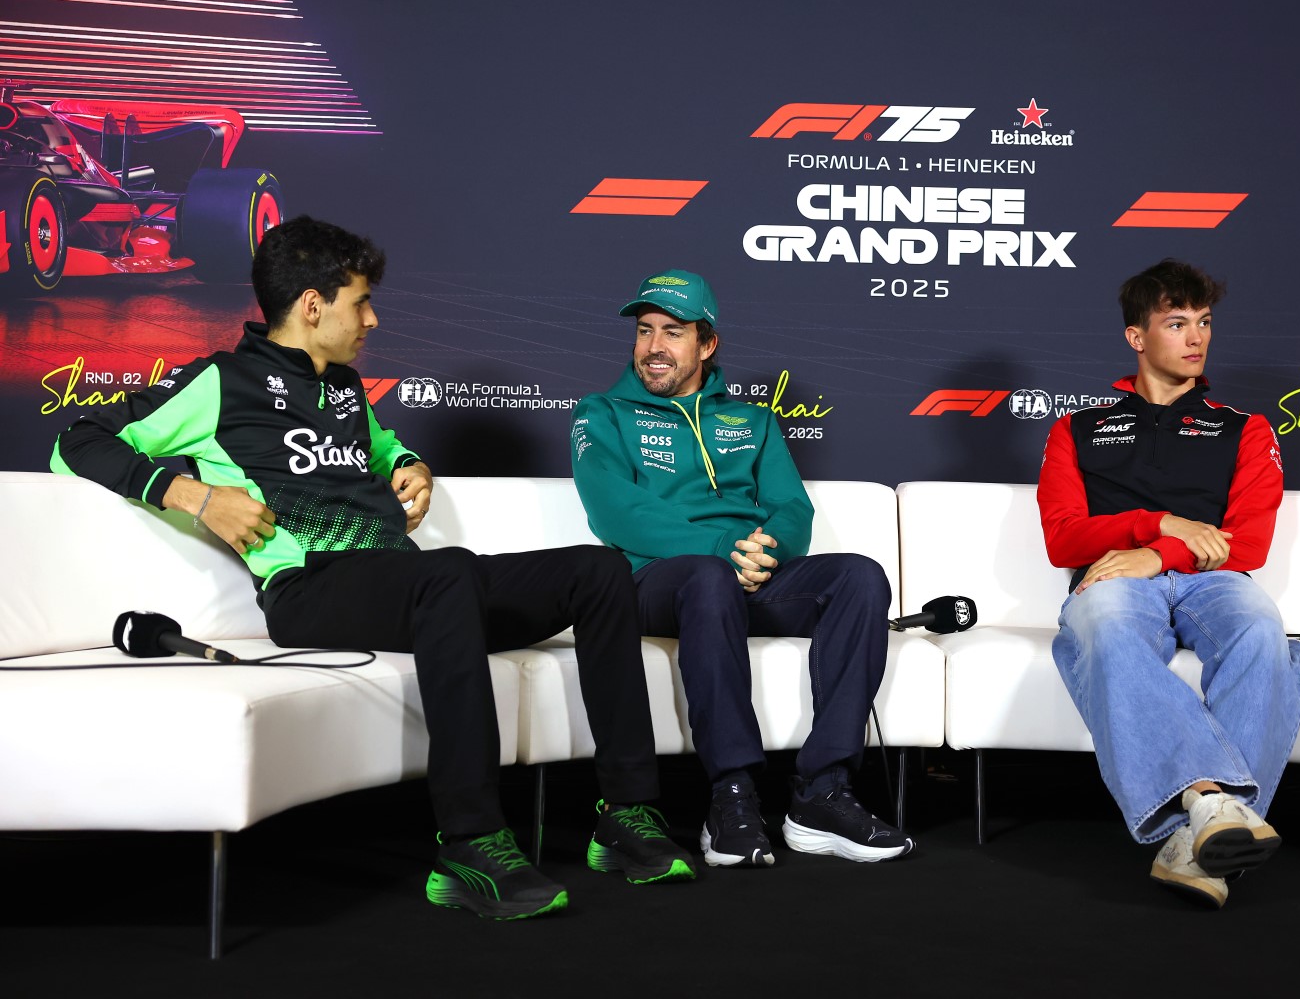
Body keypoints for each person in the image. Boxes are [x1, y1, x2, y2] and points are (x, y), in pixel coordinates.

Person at [51, 215, 695, 921]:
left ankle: (627, 816)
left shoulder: (346, 389)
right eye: (361, 302)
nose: (373, 318)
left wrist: (411, 466)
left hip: (408, 588)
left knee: (597, 571)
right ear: (312, 305)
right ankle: (471, 845)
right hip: (308, 590)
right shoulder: (219, 381)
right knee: (449, 572)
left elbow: (385, 451)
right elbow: (78, 441)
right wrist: (194, 494)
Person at [569, 269, 912, 869]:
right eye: (645, 331)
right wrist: (728, 547)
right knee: (705, 575)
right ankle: (731, 796)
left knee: (859, 576)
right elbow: (615, 512)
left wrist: (761, 551)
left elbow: (792, 509)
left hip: (743, 576)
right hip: (657, 581)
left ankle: (821, 792)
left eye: (673, 333)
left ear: (706, 345)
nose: (654, 347)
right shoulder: (601, 414)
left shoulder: (751, 422)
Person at [1036, 258, 1300, 908]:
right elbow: (1064, 540)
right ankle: (1212, 808)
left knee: (1262, 630)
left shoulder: (1244, 428)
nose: (1197, 337)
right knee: (1103, 628)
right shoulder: (1076, 428)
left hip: (1210, 580)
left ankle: (1197, 838)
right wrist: (1158, 522)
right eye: (1177, 322)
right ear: (1137, 336)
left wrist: (1156, 554)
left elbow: (1248, 544)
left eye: (1205, 322)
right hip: (1113, 583)